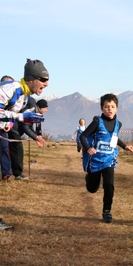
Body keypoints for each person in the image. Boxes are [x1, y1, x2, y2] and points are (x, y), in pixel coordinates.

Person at [0, 59, 49, 230]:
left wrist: (20, 120)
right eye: (43, 80)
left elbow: (7, 116)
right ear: (31, 79)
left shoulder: (24, 94)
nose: (47, 84)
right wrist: (21, 118)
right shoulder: (11, 88)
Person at [80, 93, 133, 223]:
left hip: (109, 160)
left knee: (109, 185)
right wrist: (88, 148)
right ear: (101, 108)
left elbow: (114, 138)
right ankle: (89, 178)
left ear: (117, 109)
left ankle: (107, 211)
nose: (109, 109)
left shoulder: (118, 124)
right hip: (95, 161)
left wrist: (125, 146)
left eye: (112, 106)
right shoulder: (97, 122)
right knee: (92, 189)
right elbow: (83, 136)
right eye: (106, 106)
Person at [0, 75, 14, 181]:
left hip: (3, 130)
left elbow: (12, 116)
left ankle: (6, 173)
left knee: (5, 149)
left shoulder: (11, 102)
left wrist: (9, 125)